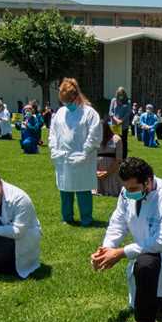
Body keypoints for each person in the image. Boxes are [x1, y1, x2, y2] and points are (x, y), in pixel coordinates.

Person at [91, 157, 162, 322]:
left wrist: (121, 252)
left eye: (133, 189)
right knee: (153, 282)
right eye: (126, 188)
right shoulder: (127, 191)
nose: (128, 193)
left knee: (145, 264)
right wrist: (106, 249)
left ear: (148, 181)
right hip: (146, 250)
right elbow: (118, 222)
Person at [48, 78, 102, 226]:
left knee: (83, 188)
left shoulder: (89, 113)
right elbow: (53, 133)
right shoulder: (60, 113)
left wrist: (85, 152)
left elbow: (95, 135)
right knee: (65, 189)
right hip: (63, 157)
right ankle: (67, 217)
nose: (66, 104)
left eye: (68, 101)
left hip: (82, 157)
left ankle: (86, 218)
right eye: (63, 101)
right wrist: (53, 149)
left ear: (76, 96)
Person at [95, 121, 124, 197]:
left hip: (112, 170)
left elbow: (119, 160)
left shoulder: (117, 139)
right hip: (96, 169)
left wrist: (106, 173)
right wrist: (95, 172)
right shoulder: (94, 139)